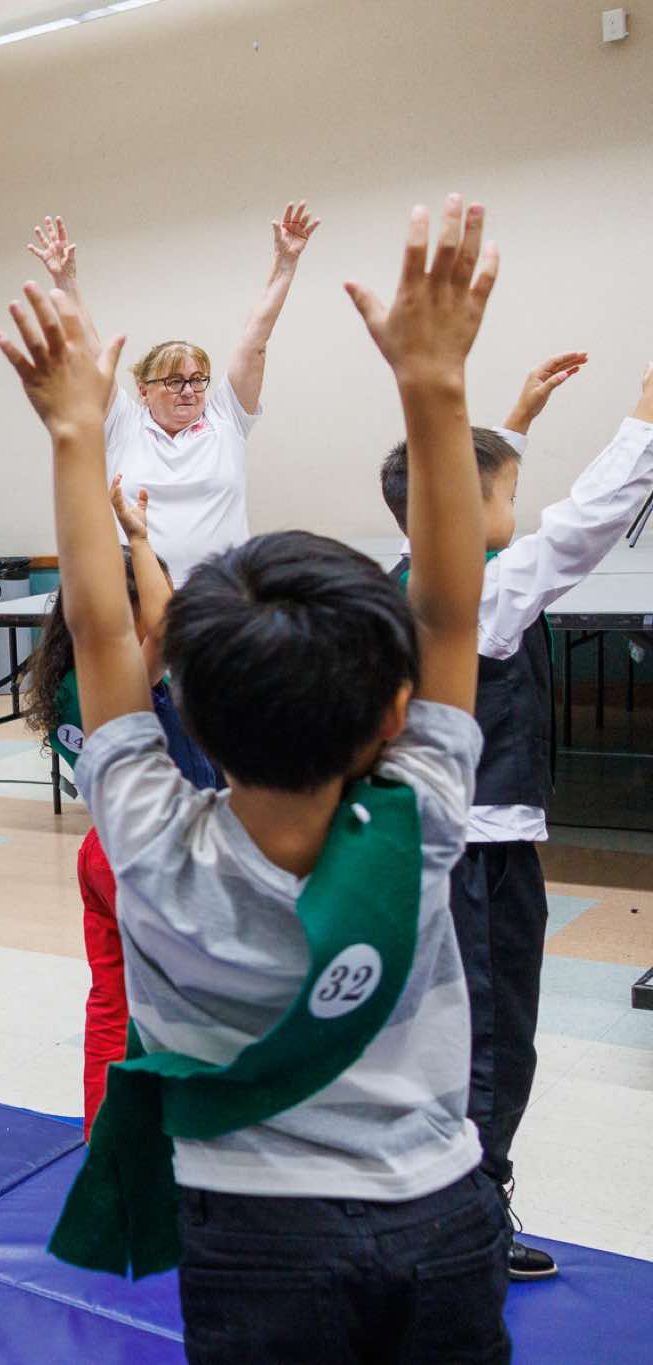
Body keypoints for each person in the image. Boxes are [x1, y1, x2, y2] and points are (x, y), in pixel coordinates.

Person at [15, 196, 511, 1362]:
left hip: (249, 1234)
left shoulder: (145, 836)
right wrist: (434, 385)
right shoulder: (423, 820)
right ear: (394, 714)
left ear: (180, 703)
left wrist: (71, 436)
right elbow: (451, 607)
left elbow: (96, 630)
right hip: (439, 1210)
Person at [375, 351, 653, 1281]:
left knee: (456, 1035)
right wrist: (644, 421)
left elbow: (469, 496)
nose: (517, 509)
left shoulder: (421, 575)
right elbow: (582, 526)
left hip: (440, 842)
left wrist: (517, 421)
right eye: (506, 492)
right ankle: (471, 1220)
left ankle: (442, 1200)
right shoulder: (484, 593)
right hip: (480, 851)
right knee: (491, 1043)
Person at [22, 481, 220, 1134]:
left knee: (113, 1004)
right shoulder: (122, 680)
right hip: (155, 857)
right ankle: (178, 1142)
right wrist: (136, 536)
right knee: (187, 1008)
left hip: (104, 850)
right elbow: (169, 627)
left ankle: (103, 1136)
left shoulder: (68, 681)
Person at [27, 203, 319, 584]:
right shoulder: (124, 423)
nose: (189, 391)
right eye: (174, 381)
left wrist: (285, 264)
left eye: (198, 380)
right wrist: (65, 280)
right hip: (140, 595)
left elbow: (255, 340)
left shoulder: (226, 417)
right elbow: (91, 353)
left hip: (221, 596)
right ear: (144, 391)